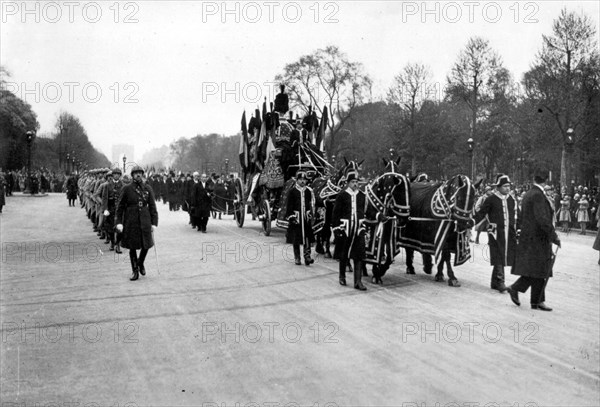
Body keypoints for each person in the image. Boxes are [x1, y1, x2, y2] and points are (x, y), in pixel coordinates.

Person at [507, 169, 560, 311]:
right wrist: (554, 236)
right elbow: (542, 219)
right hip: (538, 238)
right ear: (546, 181)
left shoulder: (529, 194)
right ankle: (518, 289)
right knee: (539, 270)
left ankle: (537, 301)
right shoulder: (538, 196)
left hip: (529, 238)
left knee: (537, 270)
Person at [475, 174, 519, 293]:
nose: (507, 188)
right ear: (498, 187)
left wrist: (517, 229)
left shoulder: (511, 200)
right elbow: (481, 213)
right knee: (498, 254)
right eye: (505, 186)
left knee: (503, 255)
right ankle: (500, 281)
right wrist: (472, 221)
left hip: (508, 232)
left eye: (508, 186)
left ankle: (495, 282)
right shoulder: (491, 199)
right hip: (494, 232)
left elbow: (515, 216)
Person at [116, 166, 158, 281]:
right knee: (132, 246)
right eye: (136, 173)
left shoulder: (148, 188)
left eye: (140, 173)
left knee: (147, 244)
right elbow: (120, 207)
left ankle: (140, 262)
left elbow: (153, 206)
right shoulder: (127, 188)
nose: (138, 175)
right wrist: (119, 222)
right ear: (132, 175)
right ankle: (135, 270)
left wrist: (154, 222)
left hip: (145, 219)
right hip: (131, 220)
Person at [332, 166, 367, 291]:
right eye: (353, 182)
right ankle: (342, 276)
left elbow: (364, 212)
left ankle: (358, 281)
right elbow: (336, 214)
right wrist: (336, 229)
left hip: (358, 229)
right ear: (348, 183)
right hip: (345, 229)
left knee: (358, 255)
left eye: (357, 182)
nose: (355, 184)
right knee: (344, 254)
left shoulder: (362, 195)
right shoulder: (342, 195)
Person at [285, 170, 315, 265]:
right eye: (300, 179)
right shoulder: (292, 191)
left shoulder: (309, 191)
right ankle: (297, 257)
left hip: (306, 218)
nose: (302, 181)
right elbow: (289, 206)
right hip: (297, 218)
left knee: (307, 237)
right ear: (297, 180)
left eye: (304, 180)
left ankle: (307, 257)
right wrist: (291, 217)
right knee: (296, 238)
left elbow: (313, 203)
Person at [102, 168, 123, 252]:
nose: (116, 175)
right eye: (115, 174)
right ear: (112, 175)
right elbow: (104, 198)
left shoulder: (123, 185)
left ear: (120, 175)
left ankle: (118, 244)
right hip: (110, 209)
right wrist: (105, 209)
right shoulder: (107, 185)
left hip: (120, 209)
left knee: (120, 228)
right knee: (110, 228)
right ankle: (112, 242)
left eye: (118, 174)